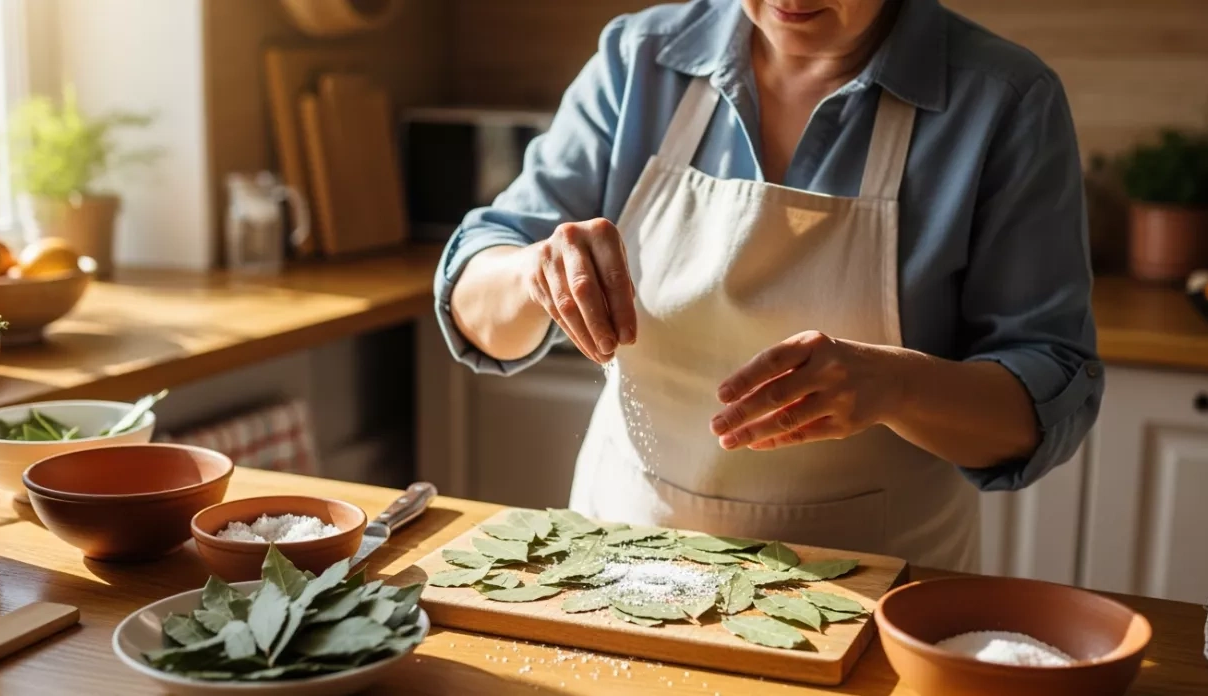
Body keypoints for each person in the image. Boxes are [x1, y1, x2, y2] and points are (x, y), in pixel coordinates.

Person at [434, 0, 1102, 571]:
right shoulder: (640, 58)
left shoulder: (1003, 101)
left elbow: (1046, 399)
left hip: (874, 583)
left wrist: (898, 386)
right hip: (623, 555)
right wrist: (532, 273)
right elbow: (474, 292)